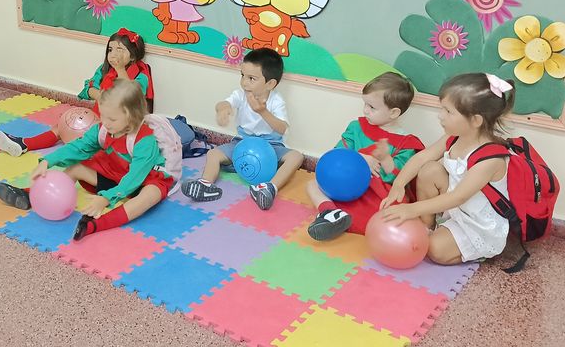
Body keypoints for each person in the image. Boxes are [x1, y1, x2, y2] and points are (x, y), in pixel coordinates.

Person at [0, 81, 172, 241]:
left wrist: (106, 199)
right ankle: (30, 195)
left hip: (142, 180)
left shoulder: (144, 141)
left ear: (132, 116)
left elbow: (134, 177)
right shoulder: (103, 129)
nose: (105, 122)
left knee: (150, 195)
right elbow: (78, 147)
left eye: (112, 119)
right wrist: (47, 161)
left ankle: (95, 225)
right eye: (103, 115)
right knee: (75, 168)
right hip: (115, 173)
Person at [379, 72, 514, 265]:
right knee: (429, 170)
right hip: (455, 210)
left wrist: (411, 209)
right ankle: (428, 227)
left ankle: (478, 251)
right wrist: (398, 184)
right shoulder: (455, 136)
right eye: (442, 109)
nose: (440, 116)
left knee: (434, 249)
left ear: (475, 120)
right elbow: (422, 157)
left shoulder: (490, 160)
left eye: (448, 112)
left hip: (477, 224)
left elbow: (458, 197)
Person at [0, 28, 154, 156]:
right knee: (62, 126)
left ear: (132, 57)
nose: (113, 54)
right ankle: (24, 144)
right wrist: (99, 95)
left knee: (87, 141)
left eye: (120, 50)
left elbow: (132, 95)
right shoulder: (105, 70)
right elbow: (87, 89)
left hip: (121, 125)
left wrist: (120, 70)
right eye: (111, 49)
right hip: (99, 117)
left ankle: (82, 154)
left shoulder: (141, 75)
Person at [181, 47, 304, 210]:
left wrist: (263, 111)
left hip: (270, 146)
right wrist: (222, 109)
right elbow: (224, 103)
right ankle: (205, 184)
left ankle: (269, 188)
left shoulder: (276, 101)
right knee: (213, 154)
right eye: (242, 75)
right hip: (242, 143)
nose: (244, 82)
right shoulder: (240, 94)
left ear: (270, 83)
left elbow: (282, 129)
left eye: (251, 78)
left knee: (296, 157)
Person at [306, 72, 424, 240]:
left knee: (393, 212)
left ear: (393, 113)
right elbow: (338, 153)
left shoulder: (406, 143)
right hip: (344, 184)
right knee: (312, 184)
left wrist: (385, 159)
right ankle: (331, 213)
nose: (365, 110)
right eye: (365, 104)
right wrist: (361, 159)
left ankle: (343, 217)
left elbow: (397, 177)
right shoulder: (356, 127)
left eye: (372, 107)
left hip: (376, 193)